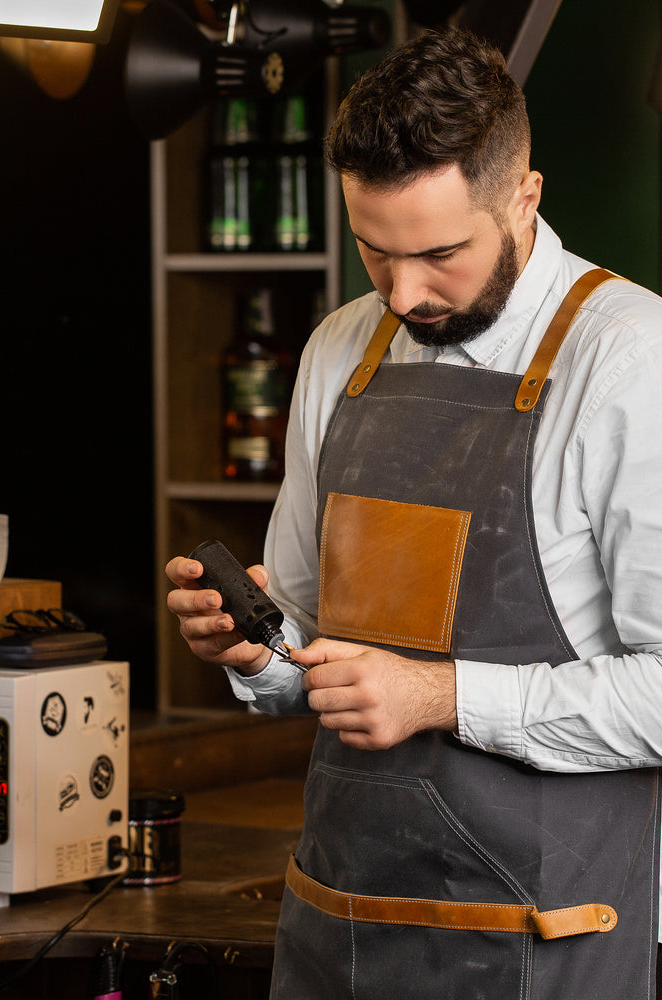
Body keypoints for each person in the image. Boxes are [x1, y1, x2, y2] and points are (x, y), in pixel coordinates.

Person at [165, 27, 662, 999]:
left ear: (523, 196)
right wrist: (257, 651)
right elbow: (312, 650)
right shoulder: (340, 349)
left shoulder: (631, 362)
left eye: (439, 253)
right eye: (372, 250)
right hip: (338, 918)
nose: (401, 292)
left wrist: (438, 696)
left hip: (550, 935)